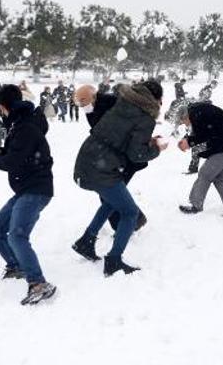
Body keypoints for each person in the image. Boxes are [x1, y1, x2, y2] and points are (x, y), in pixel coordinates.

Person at [72, 80, 167, 276]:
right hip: (103, 168)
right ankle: (114, 260)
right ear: (155, 99)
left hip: (88, 158)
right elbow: (136, 154)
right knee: (130, 213)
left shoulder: (122, 103)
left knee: (111, 202)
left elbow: (119, 135)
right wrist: (156, 147)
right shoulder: (145, 118)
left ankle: (86, 241)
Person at [0, 84, 56, 305]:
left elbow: (13, 161)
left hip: (36, 190)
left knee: (16, 235)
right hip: (26, 188)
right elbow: (19, 153)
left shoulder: (25, 127)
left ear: (4, 107)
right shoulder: (22, 123)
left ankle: (38, 283)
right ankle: (16, 266)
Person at [71, 84, 148, 232]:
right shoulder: (92, 107)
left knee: (109, 193)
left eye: (83, 100)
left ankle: (127, 223)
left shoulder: (112, 103)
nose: (81, 104)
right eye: (79, 102)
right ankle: (134, 220)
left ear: (93, 96)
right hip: (113, 157)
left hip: (128, 156)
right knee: (112, 193)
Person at [177, 102, 223, 215]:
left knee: (205, 174)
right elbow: (202, 131)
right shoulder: (199, 111)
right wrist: (187, 139)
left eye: (183, 122)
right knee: (220, 178)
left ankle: (195, 205)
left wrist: (190, 142)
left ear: (185, 116)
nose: (185, 125)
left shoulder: (196, 114)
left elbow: (203, 135)